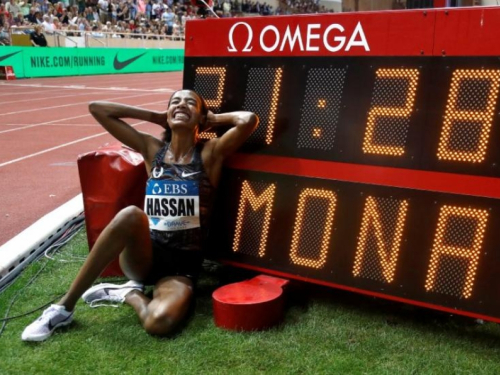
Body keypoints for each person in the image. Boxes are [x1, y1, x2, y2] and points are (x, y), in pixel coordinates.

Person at [21, 90, 259, 341]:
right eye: (175, 102)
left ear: (200, 117)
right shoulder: (151, 148)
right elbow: (98, 108)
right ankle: (63, 308)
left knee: (159, 322)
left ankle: (128, 294)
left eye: (190, 103)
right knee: (131, 214)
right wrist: (156, 117)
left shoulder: (210, 153)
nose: (182, 105)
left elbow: (248, 120)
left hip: (180, 267)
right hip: (144, 256)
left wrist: (211, 119)